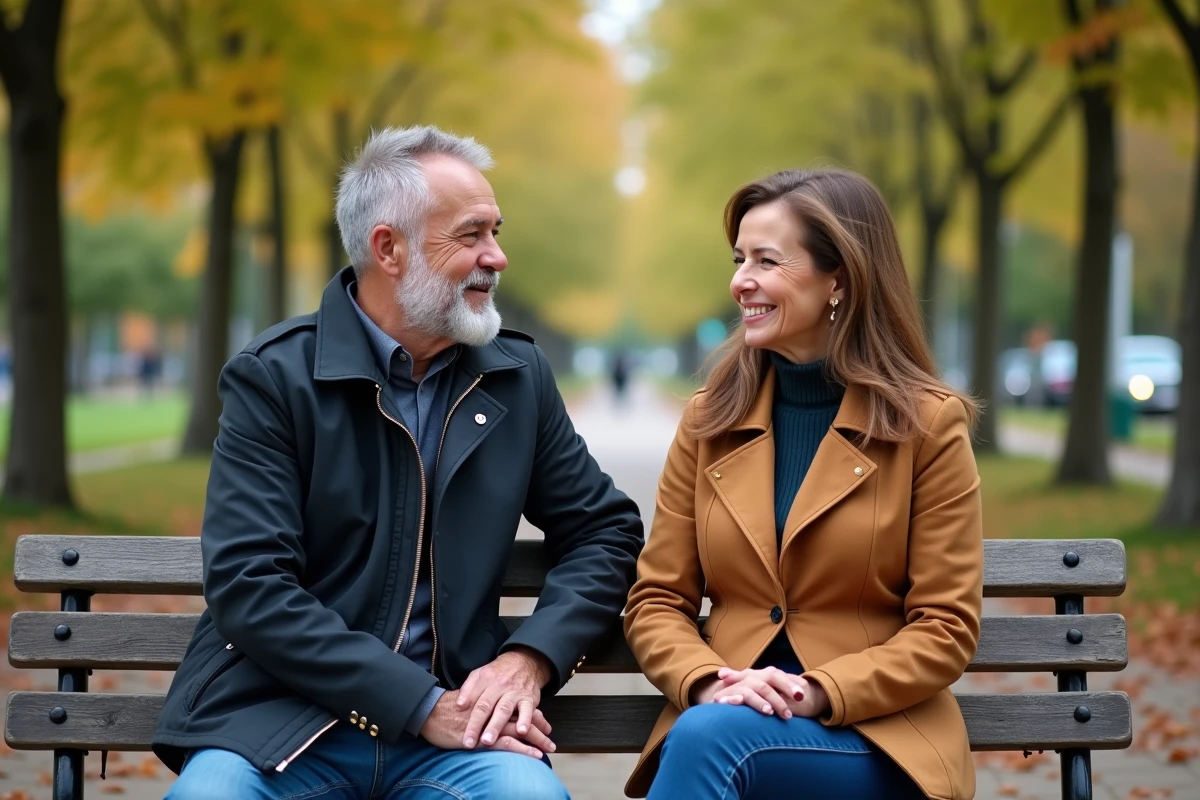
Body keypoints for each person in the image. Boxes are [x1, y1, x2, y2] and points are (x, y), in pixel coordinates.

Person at [153, 126, 645, 800]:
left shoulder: (516, 376)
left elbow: (604, 532)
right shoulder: (275, 377)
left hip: (461, 733)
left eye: (496, 232)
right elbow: (250, 585)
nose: (497, 256)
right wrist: (418, 704)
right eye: (471, 235)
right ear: (389, 248)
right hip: (278, 725)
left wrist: (530, 659)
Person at [623, 168, 983, 800]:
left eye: (767, 260)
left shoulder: (927, 425)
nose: (741, 280)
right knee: (711, 737)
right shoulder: (709, 421)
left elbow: (945, 627)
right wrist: (710, 681)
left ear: (838, 278)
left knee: (709, 742)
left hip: (875, 738)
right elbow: (657, 601)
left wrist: (814, 690)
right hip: (722, 718)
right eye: (739, 259)